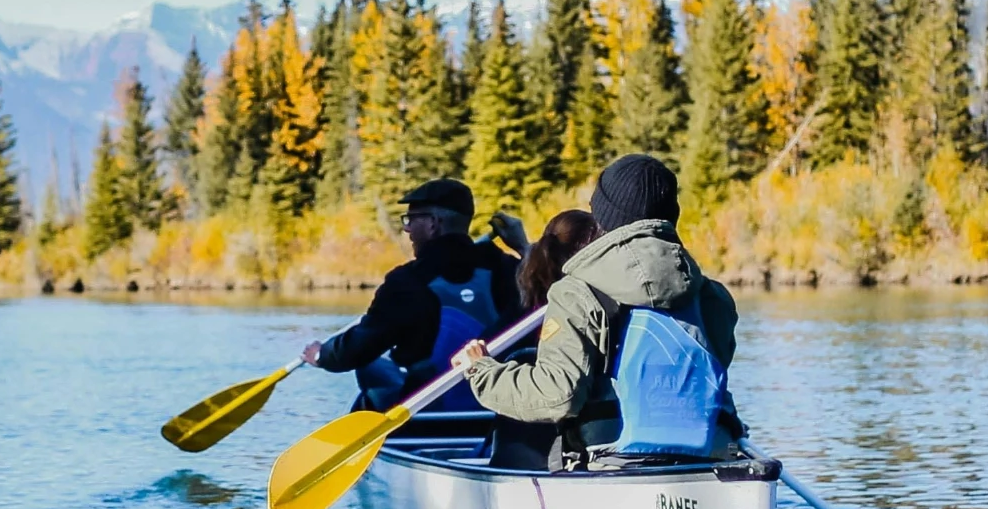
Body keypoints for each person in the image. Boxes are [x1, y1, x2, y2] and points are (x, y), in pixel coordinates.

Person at [455, 152, 742, 458]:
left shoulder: (575, 293)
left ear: (604, 218)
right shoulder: (713, 296)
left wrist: (482, 372)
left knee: (526, 361)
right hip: (707, 456)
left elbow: (557, 396)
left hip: (613, 462)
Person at [303, 175, 528, 417]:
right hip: (497, 415)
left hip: (427, 416)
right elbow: (552, 290)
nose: (407, 228)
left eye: (411, 219)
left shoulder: (407, 282)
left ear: (433, 223)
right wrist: (525, 248)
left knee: (370, 368)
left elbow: (357, 350)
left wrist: (322, 354)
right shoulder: (512, 271)